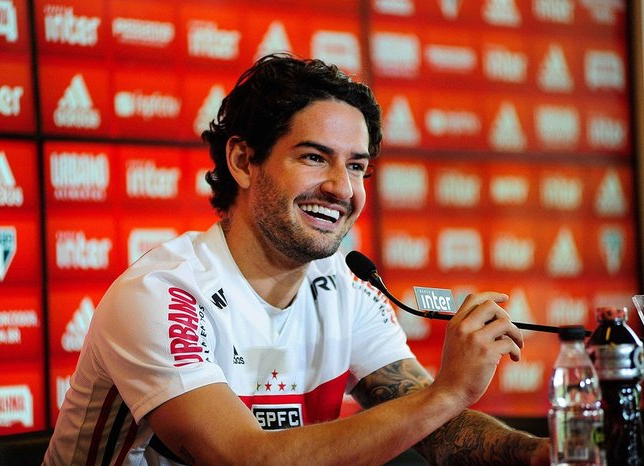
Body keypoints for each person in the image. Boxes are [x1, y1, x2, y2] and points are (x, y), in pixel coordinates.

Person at [44, 53, 551, 465]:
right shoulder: (162, 293)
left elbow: (439, 431)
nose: (342, 188)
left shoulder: (346, 291)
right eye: (314, 157)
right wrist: (447, 392)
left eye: (356, 166)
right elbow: (242, 459)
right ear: (243, 161)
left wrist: (540, 455)